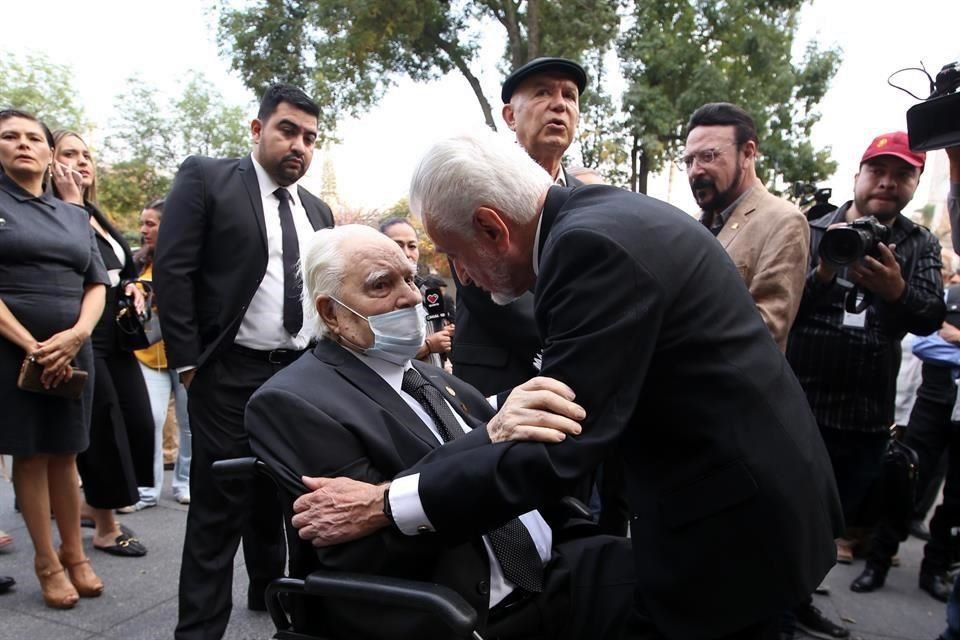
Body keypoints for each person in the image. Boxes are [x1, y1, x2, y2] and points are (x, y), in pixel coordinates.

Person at [288, 130, 844, 640]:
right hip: (745, 504)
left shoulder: (587, 252)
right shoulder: (605, 219)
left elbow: (558, 440)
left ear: (491, 228)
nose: (459, 278)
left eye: (453, 255)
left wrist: (388, 502)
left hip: (734, 536)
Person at [246, 224, 636, 639]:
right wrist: (490, 436)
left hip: (559, 565)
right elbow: (362, 549)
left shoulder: (433, 380)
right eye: (382, 285)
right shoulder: (295, 400)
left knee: (686, 577)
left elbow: (502, 450)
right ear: (332, 312)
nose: (412, 296)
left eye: (410, 278)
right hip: (462, 613)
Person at [154, 83, 334, 640]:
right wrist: (188, 364)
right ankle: (200, 631)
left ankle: (280, 602)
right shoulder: (207, 179)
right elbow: (173, 269)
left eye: (309, 137)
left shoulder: (318, 210)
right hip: (227, 373)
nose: (298, 145)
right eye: (287, 130)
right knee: (219, 508)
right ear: (257, 130)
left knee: (295, 497)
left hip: (301, 376)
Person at [785, 130, 944, 591]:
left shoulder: (920, 245)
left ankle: (799, 603)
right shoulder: (812, 231)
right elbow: (785, 306)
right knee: (787, 517)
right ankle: (772, 611)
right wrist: (825, 271)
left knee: (833, 525)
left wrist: (897, 292)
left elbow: (930, 316)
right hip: (801, 406)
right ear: (858, 175)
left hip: (867, 417)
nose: (887, 183)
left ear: (915, 183)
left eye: (902, 174)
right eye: (878, 171)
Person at [0, 110, 108, 608]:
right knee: (30, 453)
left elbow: (96, 283)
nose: (23, 144)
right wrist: (32, 345)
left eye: (33, 138)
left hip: (73, 347)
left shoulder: (72, 212)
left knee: (67, 452)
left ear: (48, 151)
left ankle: (75, 554)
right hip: (12, 348)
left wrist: (77, 334)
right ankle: (46, 562)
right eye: (9, 137)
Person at [451, 57, 587, 399]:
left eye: (570, 96)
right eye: (543, 93)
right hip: (496, 383)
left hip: (572, 383)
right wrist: (579, 335)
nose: (559, 104)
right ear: (510, 116)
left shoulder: (588, 201)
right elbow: (483, 285)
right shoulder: (474, 183)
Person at [52, 130, 153, 560]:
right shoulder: (54, 210)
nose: (82, 162)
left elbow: (114, 269)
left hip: (117, 336)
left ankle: (91, 506)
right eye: (69, 154)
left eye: (87, 154)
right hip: (83, 331)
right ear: (51, 163)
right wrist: (71, 203)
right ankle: (106, 528)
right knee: (102, 426)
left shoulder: (93, 212)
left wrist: (132, 286)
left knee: (138, 422)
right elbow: (76, 262)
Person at [682, 103, 809, 351]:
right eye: (689, 160)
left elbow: (766, 329)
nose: (695, 171)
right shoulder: (690, 223)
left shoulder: (784, 221)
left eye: (709, 156)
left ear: (748, 153)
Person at [132, 199, 192, 507]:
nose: (143, 230)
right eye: (142, 224)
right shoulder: (138, 262)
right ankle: (147, 489)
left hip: (184, 357)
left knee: (188, 423)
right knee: (150, 422)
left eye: (150, 224)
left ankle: (185, 483)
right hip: (146, 357)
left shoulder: (191, 259)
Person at [378, 217, 455, 363]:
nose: (407, 253)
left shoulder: (429, 292)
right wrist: (428, 346)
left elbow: (438, 332)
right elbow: (380, 355)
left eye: (412, 246)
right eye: (398, 245)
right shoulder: (374, 297)